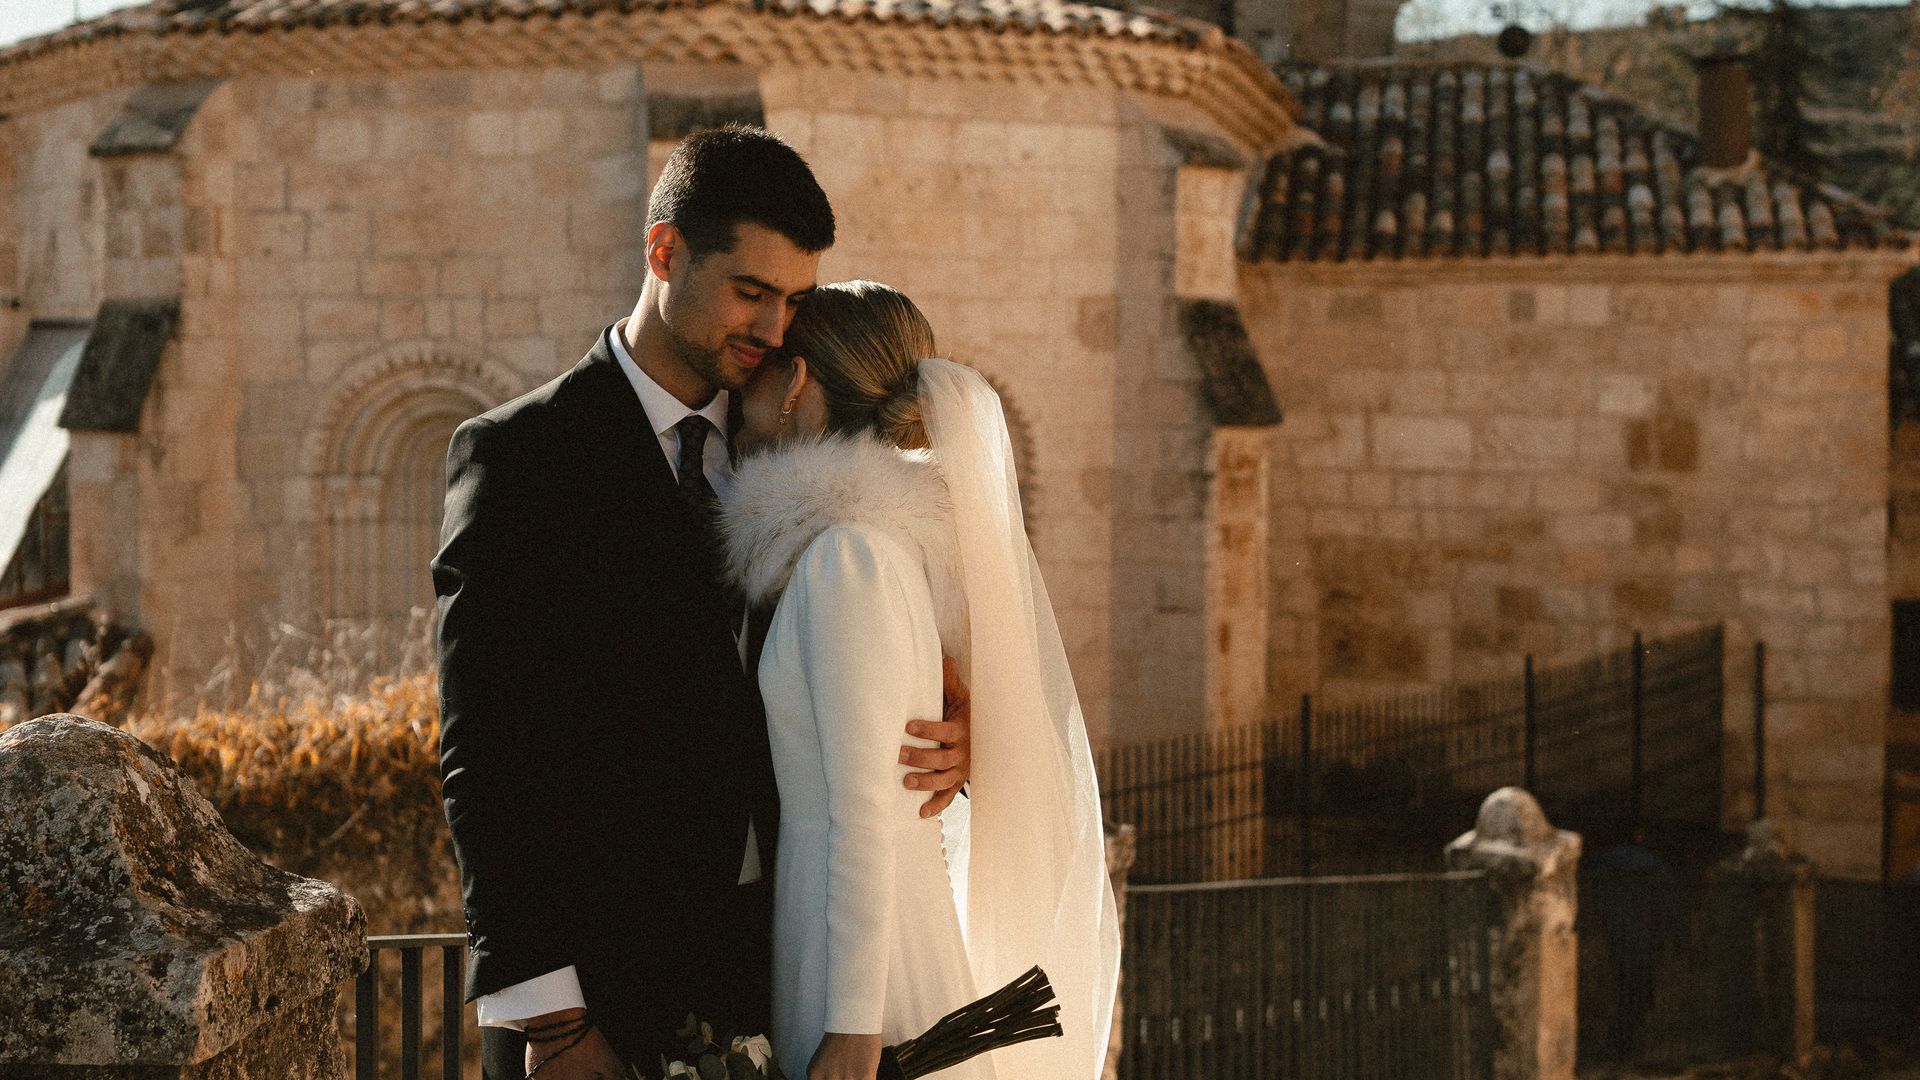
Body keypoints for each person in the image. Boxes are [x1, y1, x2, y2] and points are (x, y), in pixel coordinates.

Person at [432, 128, 972, 1080]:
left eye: (796, 301)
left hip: (767, 973)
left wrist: (957, 728)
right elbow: (488, 752)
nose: (773, 330)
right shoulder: (521, 457)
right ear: (664, 252)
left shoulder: (797, 469)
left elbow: (857, 677)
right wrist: (553, 1022)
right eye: (750, 292)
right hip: (592, 994)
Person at [719, 281, 1122, 1080]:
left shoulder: (847, 558)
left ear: (798, 384)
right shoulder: (864, 548)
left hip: (861, 956)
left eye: (766, 368)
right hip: (842, 929)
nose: (745, 386)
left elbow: (864, 810)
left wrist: (853, 1030)